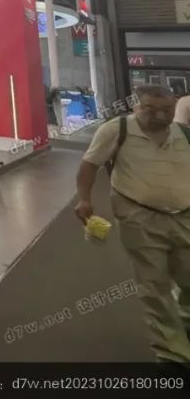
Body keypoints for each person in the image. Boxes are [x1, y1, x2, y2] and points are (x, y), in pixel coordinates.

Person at [75, 84, 190, 363]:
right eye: (150, 109)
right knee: (154, 283)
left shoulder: (184, 133)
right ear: (136, 106)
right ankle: (173, 353)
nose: (159, 116)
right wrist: (84, 199)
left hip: (185, 215)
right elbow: (89, 165)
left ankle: (184, 321)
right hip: (139, 216)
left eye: (166, 109)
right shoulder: (117, 130)